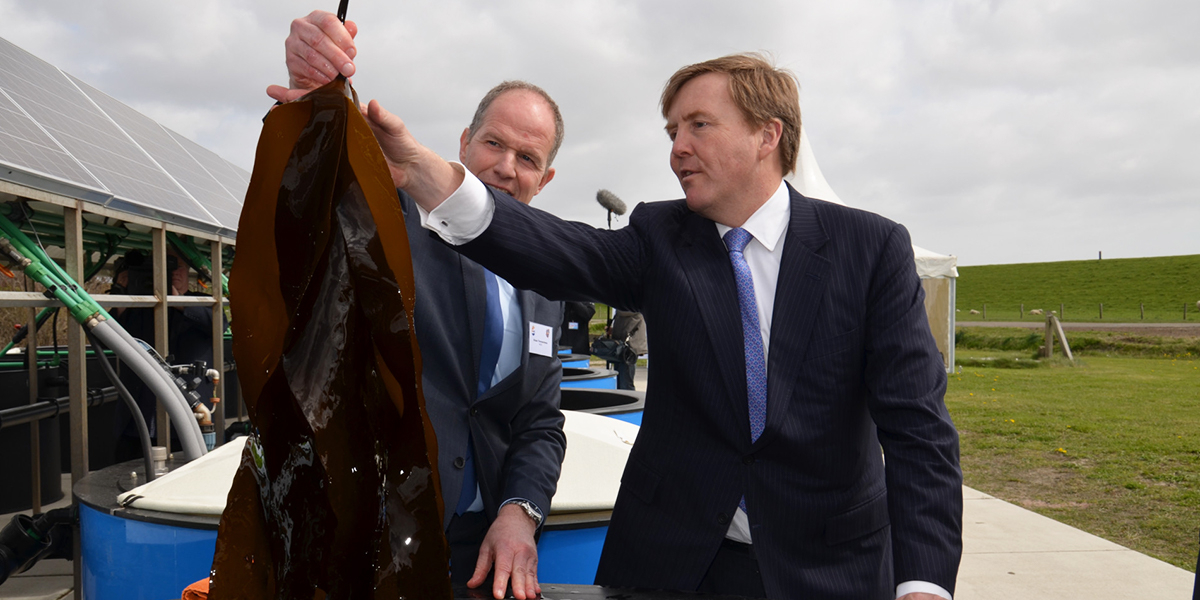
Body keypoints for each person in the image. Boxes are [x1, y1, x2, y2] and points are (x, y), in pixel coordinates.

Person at [347, 51, 963, 600]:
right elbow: (552, 247)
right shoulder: (659, 237)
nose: (677, 148)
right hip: (669, 566)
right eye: (672, 131)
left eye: (699, 125)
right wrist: (422, 172)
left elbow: (918, 433)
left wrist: (925, 583)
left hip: (828, 569)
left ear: (766, 135)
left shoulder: (870, 249)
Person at [269, 12, 567, 600]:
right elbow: (320, 194)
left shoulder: (547, 279)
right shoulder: (395, 220)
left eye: (527, 159)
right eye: (494, 143)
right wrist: (315, 95)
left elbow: (539, 420)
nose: (506, 168)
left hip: (487, 560)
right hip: (377, 543)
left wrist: (520, 512)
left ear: (547, 177)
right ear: (463, 143)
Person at [108, 248, 217, 462]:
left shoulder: (203, 302)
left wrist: (178, 300)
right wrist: (121, 291)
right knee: (127, 471)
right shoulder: (141, 305)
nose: (170, 271)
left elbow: (218, 324)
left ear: (187, 272)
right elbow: (107, 334)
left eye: (175, 266)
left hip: (186, 411)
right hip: (138, 412)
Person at [607, 310, 646, 390]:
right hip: (624, 346)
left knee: (626, 383)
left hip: (629, 348)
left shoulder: (629, 308)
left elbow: (623, 312)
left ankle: (628, 400)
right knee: (621, 381)